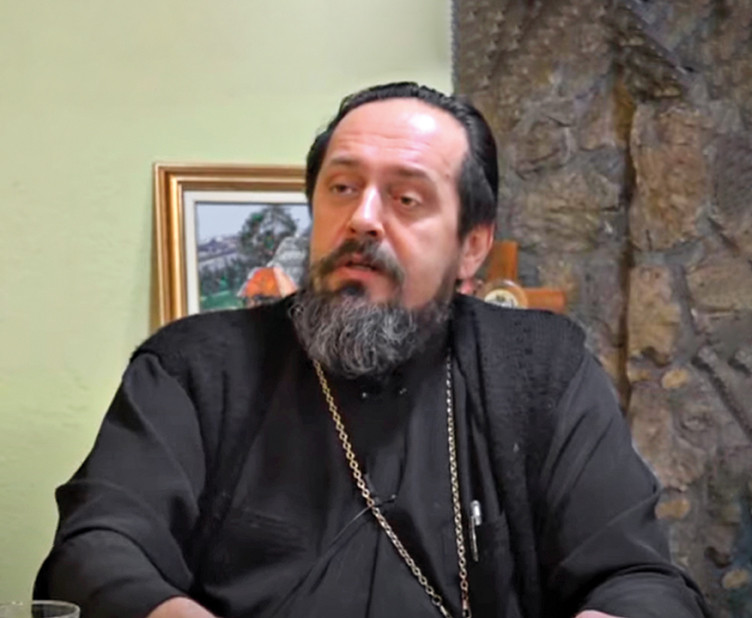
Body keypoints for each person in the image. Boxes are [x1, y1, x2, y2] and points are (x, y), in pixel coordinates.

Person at [35, 82, 710, 618]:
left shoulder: (542, 369)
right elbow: (98, 547)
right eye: (342, 188)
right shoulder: (196, 368)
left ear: (471, 245)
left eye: (406, 198)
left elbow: (639, 581)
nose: (362, 218)